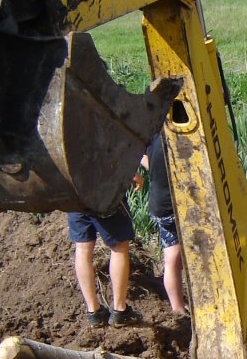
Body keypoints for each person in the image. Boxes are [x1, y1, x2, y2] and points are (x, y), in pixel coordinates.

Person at [67, 200, 142, 328]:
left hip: (74, 195)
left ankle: (93, 312)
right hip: (103, 193)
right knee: (119, 246)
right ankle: (120, 311)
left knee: (82, 248)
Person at [142, 133, 187, 315]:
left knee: (172, 259)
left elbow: (139, 154)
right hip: (177, 206)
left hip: (159, 205)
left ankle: (178, 309)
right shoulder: (180, 136)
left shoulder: (153, 133)